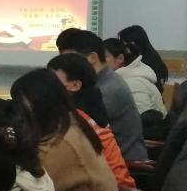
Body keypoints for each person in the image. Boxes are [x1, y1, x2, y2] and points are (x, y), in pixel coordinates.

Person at [11, 69, 122, 191]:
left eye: (20, 104)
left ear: (39, 103)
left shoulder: (62, 143)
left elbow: (28, 187)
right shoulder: (70, 124)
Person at [48, 53, 135, 189]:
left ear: (75, 85)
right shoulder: (91, 103)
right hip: (110, 187)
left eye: (52, 81)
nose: (45, 86)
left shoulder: (75, 118)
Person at [58, 30, 147, 161]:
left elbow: (75, 128)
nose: (64, 66)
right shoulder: (97, 82)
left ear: (92, 57)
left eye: (70, 60)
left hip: (125, 164)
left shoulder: (108, 88)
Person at [104, 38, 166, 117]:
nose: (99, 62)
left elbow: (141, 119)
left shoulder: (132, 83)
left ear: (120, 59)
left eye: (104, 57)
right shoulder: (122, 79)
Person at [118, 24, 169, 90]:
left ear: (133, 44)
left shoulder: (148, 64)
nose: (121, 48)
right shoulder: (150, 56)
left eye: (123, 44)